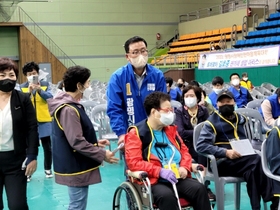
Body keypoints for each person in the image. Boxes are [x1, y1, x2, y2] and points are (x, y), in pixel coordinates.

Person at [47, 65, 119, 210]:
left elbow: (72, 136)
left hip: (75, 162)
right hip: (75, 165)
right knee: (77, 205)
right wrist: (102, 154)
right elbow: (76, 141)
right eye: (88, 82)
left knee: (77, 203)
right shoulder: (69, 109)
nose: (89, 86)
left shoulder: (71, 106)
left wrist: (95, 143)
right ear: (79, 85)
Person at [125, 91, 211, 210]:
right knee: (167, 197)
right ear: (155, 112)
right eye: (167, 110)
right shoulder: (136, 133)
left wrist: (185, 167)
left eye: (172, 110)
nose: (171, 113)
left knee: (200, 189)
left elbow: (184, 152)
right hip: (153, 180)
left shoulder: (171, 130)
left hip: (176, 177)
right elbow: (134, 163)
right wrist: (159, 171)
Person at [196, 90, 279, 210]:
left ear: (234, 102)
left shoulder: (241, 119)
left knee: (251, 172)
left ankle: (256, 207)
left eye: (228, 101)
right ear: (217, 104)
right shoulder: (211, 123)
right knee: (257, 160)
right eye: (222, 102)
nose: (225, 104)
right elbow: (201, 145)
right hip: (221, 163)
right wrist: (225, 152)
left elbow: (258, 132)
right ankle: (274, 198)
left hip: (243, 161)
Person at [106, 36, 166, 146]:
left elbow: (162, 105)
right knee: (133, 163)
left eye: (143, 51)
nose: (140, 55)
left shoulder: (157, 76)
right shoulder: (118, 77)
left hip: (154, 133)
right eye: (135, 52)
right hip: (130, 134)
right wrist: (121, 133)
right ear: (127, 56)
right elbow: (114, 109)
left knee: (155, 162)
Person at [0, 57, 38, 210]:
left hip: (16, 162)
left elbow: (32, 128)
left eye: (11, 75)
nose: (7, 79)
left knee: (17, 205)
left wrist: (32, 156)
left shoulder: (22, 99)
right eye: (2, 75)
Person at [174, 85, 215, 201]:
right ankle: (196, 185)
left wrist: (199, 134)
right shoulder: (179, 111)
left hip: (201, 143)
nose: (189, 98)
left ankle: (204, 185)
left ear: (197, 98)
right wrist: (197, 132)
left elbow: (209, 128)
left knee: (203, 152)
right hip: (185, 144)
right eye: (186, 96)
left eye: (191, 95)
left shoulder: (204, 111)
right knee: (198, 151)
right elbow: (181, 132)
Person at [19, 61, 53, 181]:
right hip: (28, 122)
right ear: (25, 75)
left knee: (47, 147)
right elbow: (20, 102)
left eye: (34, 73)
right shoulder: (22, 87)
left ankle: (48, 169)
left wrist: (40, 90)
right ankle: (28, 172)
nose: (32, 75)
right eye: (29, 74)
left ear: (38, 74)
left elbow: (50, 98)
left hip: (44, 120)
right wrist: (29, 92)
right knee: (29, 147)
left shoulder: (45, 84)